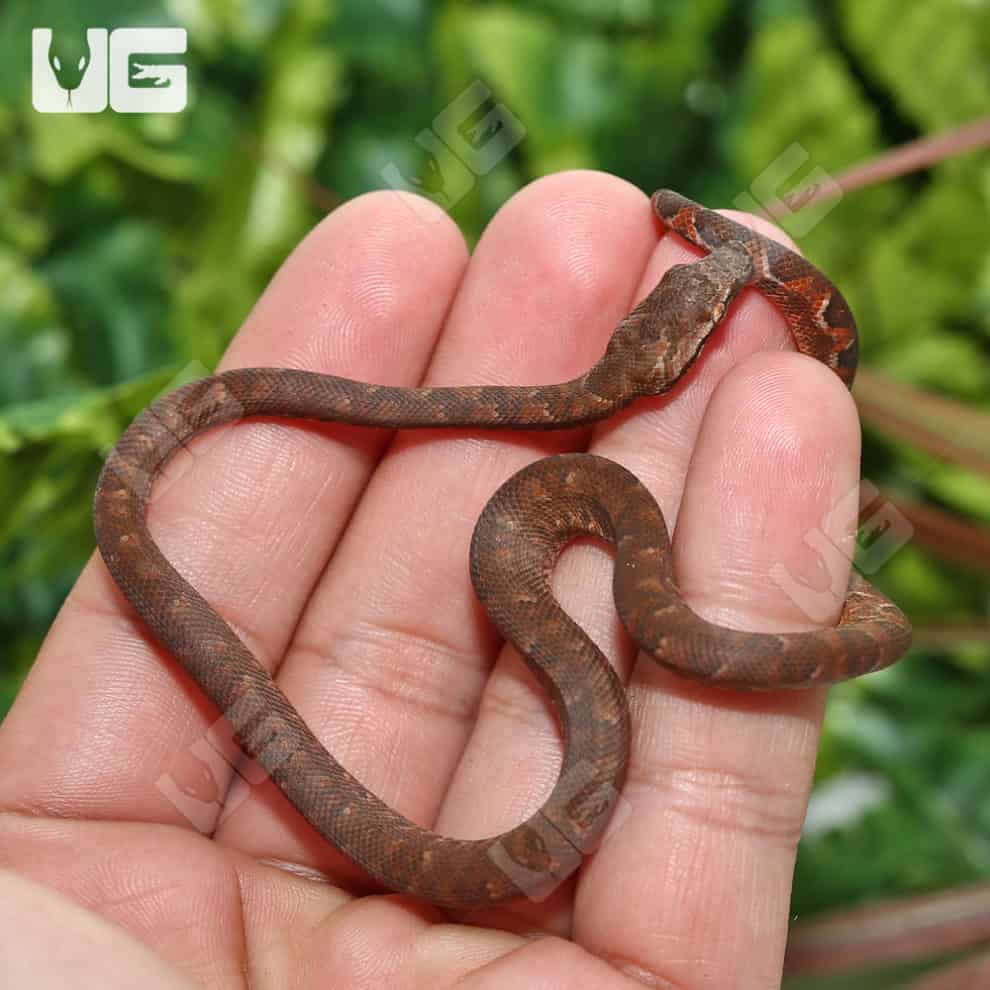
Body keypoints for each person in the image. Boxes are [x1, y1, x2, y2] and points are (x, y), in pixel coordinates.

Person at [0, 170, 862, 988]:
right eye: (706, 322)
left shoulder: (609, 505)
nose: (712, 312)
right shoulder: (605, 489)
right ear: (656, 355)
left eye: (709, 317)